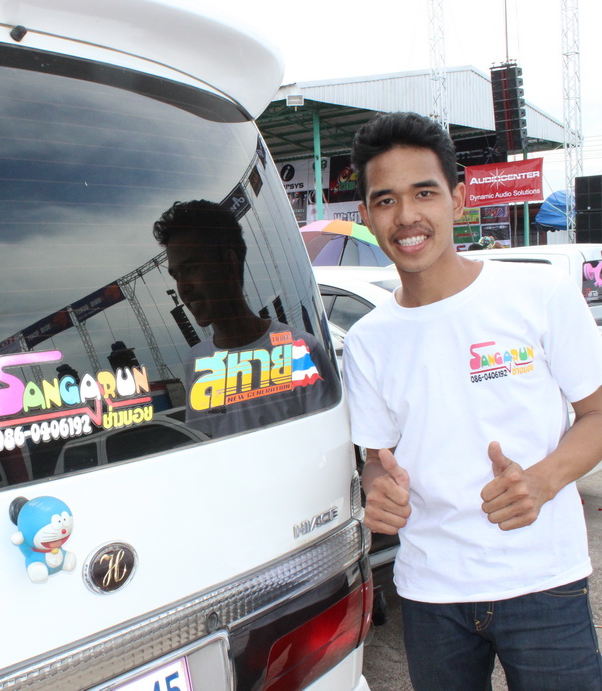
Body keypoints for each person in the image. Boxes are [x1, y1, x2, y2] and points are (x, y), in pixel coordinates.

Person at [343, 111, 602, 689]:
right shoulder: (367, 341)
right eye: (385, 200)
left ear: (458, 200)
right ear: (366, 216)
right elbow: (377, 460)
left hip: (544, 582)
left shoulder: (538, 292)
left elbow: (597, 414)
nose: (406, 216)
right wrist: (377, 489)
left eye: (424, 193)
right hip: (431, 593)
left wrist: (543, 480)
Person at [153, 200, 338, 438]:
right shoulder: (197, 361)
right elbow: (204, 445)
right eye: (176, 275)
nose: (183, 288)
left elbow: (326, 442)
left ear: (229, 264)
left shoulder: (299, 351)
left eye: (191, 269)